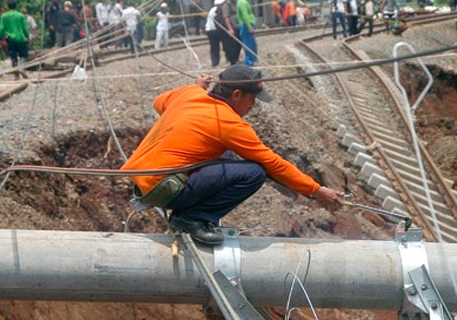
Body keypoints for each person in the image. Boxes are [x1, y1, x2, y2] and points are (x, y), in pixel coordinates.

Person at [121, 65, 343, 245]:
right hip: (165, 189)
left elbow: (159, 102)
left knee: (227, 154)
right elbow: (272, 163)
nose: (253, 106)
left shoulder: (189, 94)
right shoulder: (230, 124)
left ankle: (191, 212)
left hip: (146, 183)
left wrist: (195, 89)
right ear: (237, 95)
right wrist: (315, 190)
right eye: (252, 99)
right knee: (255, 172)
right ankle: (192, 218)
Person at [0, 0, 29, 79]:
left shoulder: (4, 16)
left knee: (13, 57)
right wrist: (27, 36)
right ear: (16, 6)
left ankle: (16, 75)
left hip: (10, 39)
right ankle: (22, 67)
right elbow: (25, 28)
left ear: (8, 6)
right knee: (24, 55)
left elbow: (1, 29)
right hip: (20, 38)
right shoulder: (21, 15)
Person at [237, 0, 257, 66]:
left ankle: (252, 59)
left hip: (246, 24)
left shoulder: (243, 1)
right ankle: (249, 61)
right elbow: (245, 15)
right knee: (248, 44)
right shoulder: (242, 2)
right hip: (245, 25)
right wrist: (249, 27)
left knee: (251, 43)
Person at [221, 0, 242, 65]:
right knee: (232, 45)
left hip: (238, 26)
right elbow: (226, 17)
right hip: (232, 27)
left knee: (239, 44)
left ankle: (237, 59)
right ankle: (233, 61)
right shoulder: (226, 5)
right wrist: (230, 29)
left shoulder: (238, 2)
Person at [205, 0, 225, 67]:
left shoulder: (211, 10)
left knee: (214, 47)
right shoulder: (218, 10)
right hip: (215, 30)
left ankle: (214, 62)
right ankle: (216, 61)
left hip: (209, 30)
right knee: (217, 46)